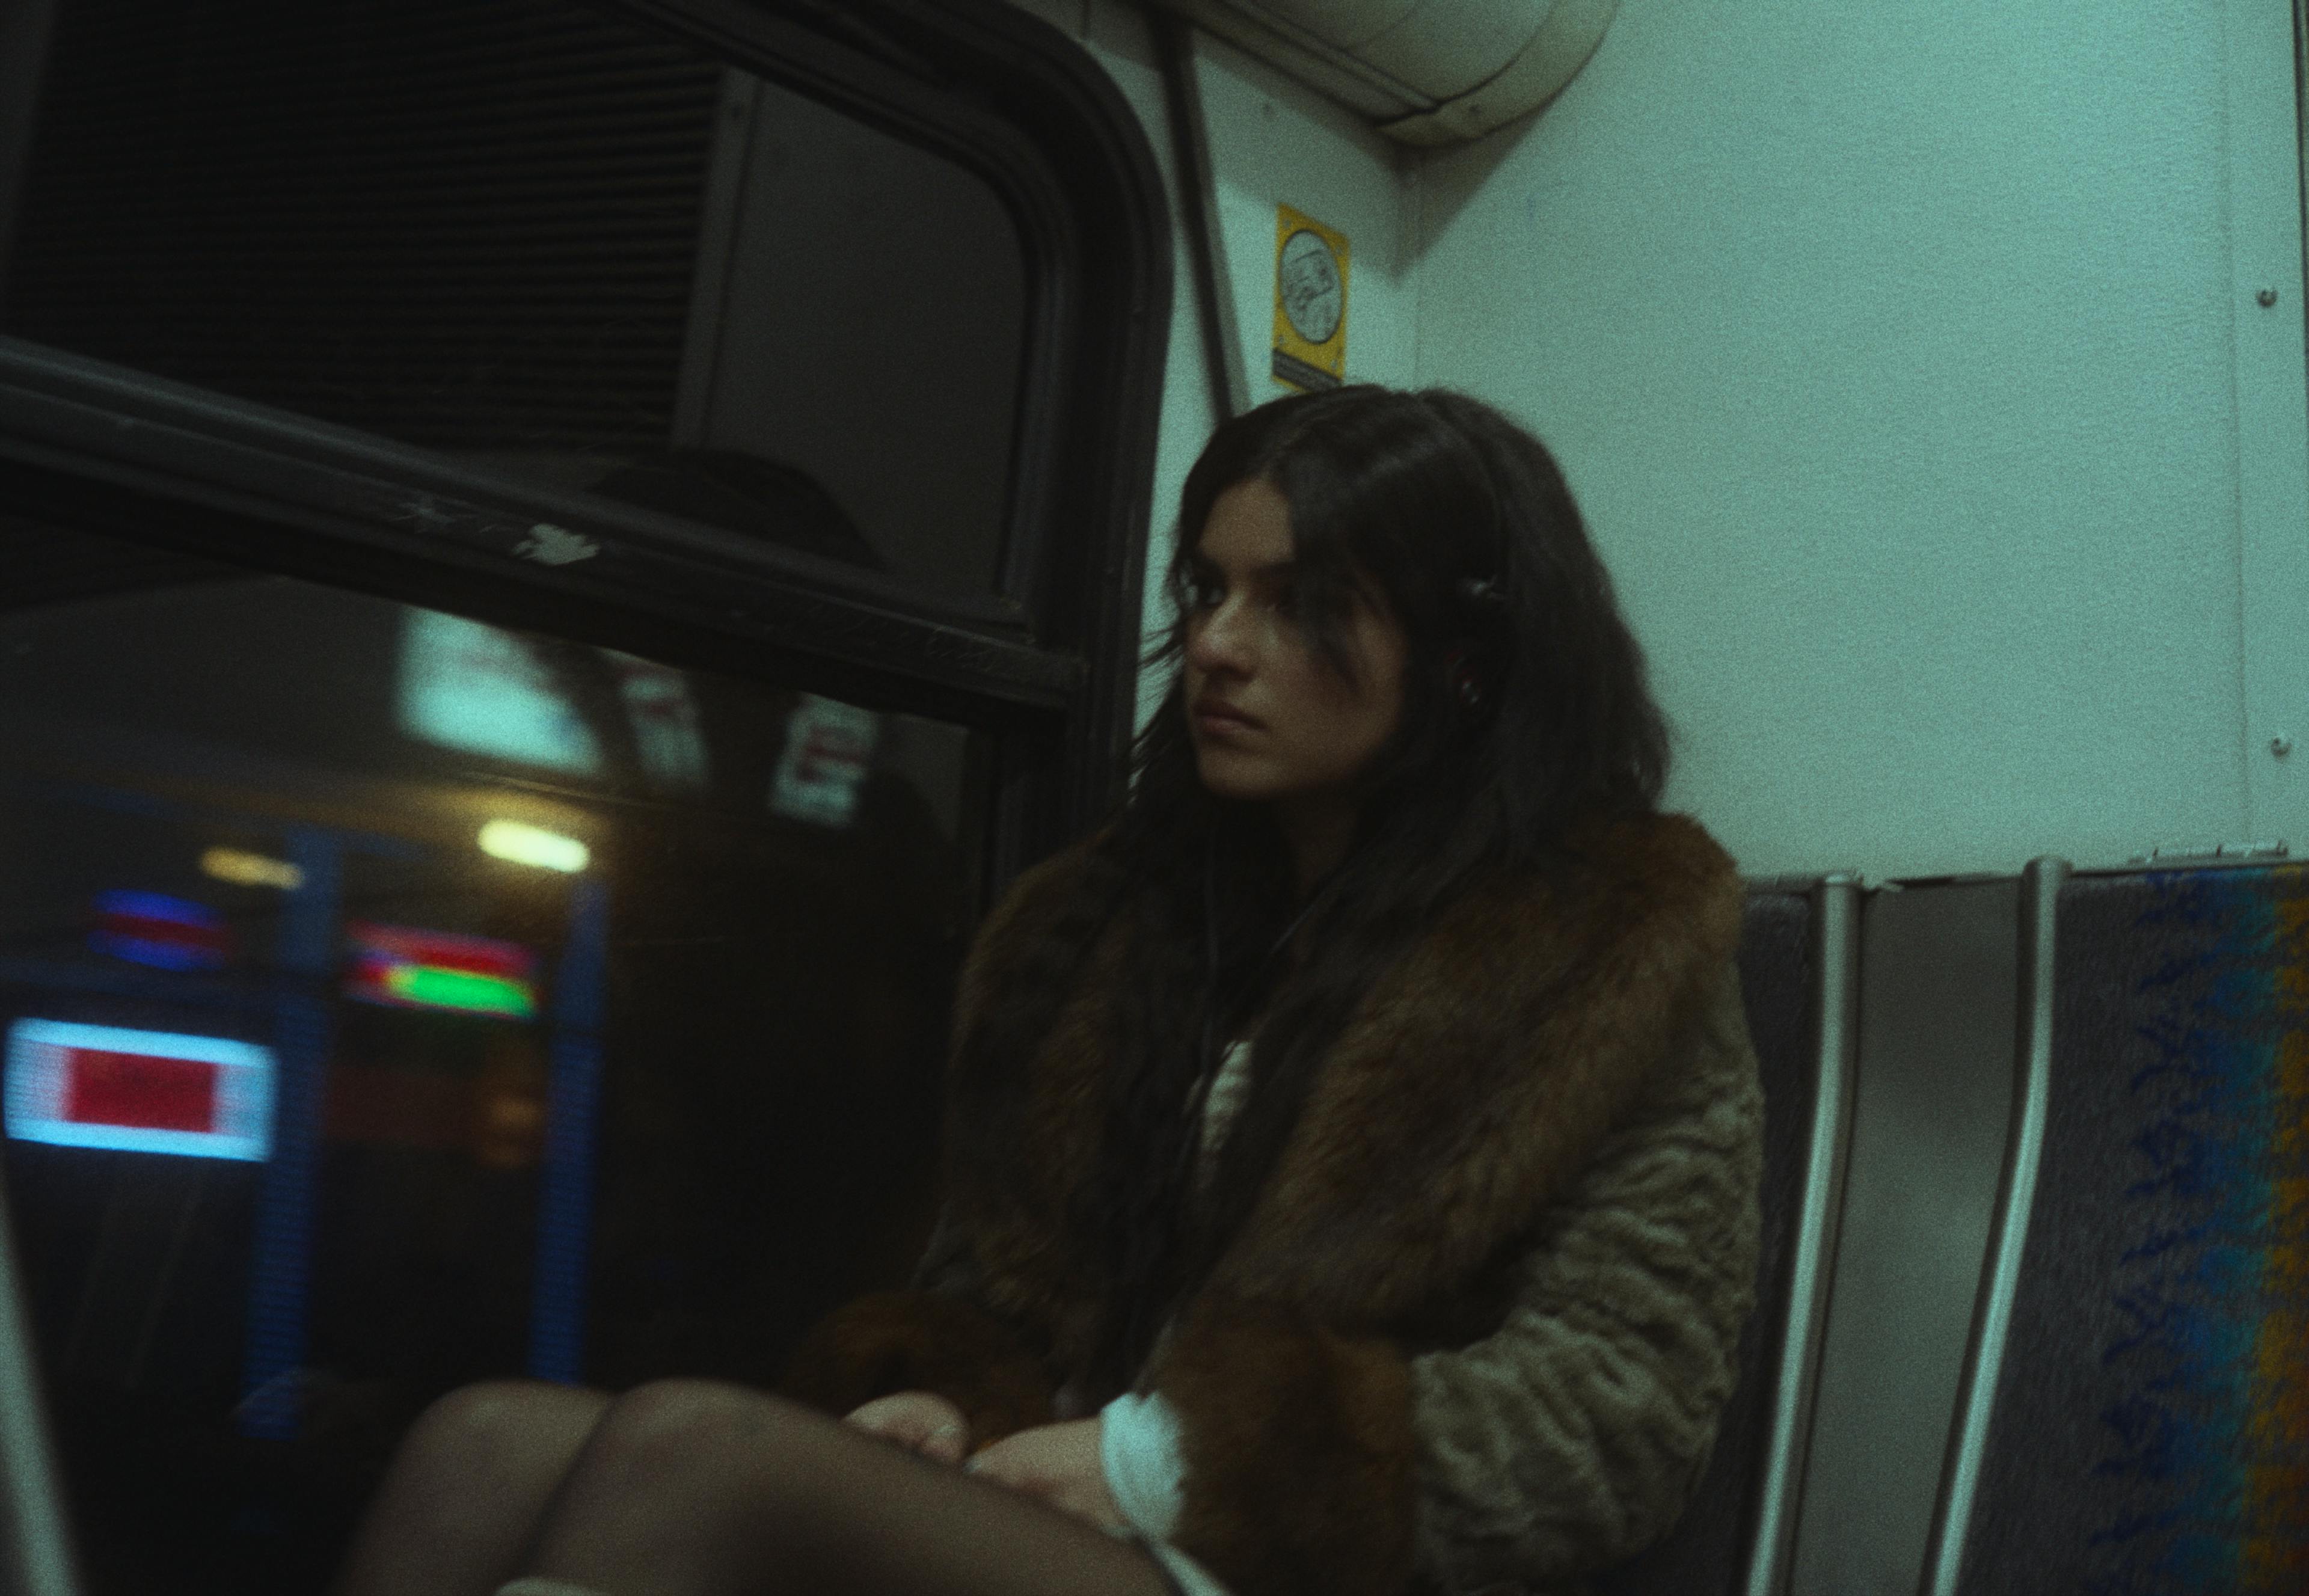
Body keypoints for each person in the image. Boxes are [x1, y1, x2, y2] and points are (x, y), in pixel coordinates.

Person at [331, 385, 1763, 1596]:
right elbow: (996, 1292)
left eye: (1302, 604)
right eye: (1210, 589)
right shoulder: (1106, 930)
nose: (1216, 643)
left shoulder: (1606, 952)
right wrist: (940, 1402)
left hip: (1296, 1563)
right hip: (1054, 1517)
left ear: (1461, 668)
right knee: (483, 1436)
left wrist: (1162, 1461)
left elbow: (1618, 1416)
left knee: (702, 1452)